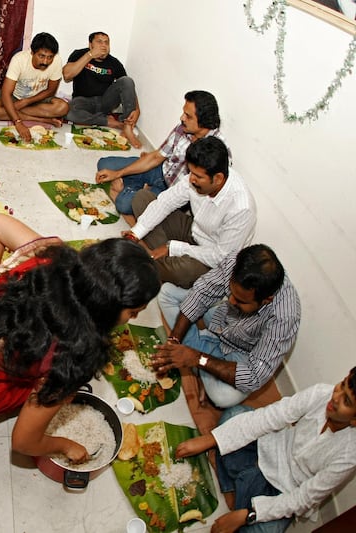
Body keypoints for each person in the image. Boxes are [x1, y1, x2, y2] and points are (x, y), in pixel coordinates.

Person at [0, 213, 160, 458]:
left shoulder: (54, 257)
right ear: (104, 306)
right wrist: (65, 445)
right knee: (45, 392)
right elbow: (23, 443)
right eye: (133, 312)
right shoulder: (73, 355)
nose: (135, 319)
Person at [174, 367, 356, 533]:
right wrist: (209, 439)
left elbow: (304, 497)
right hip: (265, 451)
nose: (336, 397)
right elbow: (270, 417)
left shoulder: (350, 454)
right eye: (342, 385)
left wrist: (249, 515)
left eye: (346, 400)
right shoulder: (321, 393)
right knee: (233, 415)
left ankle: (236, 491)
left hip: (284, 491)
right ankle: (234, 488)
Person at [153, 244, 301, 409]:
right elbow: (201, 294)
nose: (231, 300)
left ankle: (200, 360)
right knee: (166, 293)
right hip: (220, 320)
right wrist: (174, 340)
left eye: (240, 300)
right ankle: (202, 362)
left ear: (267, 300)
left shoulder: (285, 317)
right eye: (231, 292)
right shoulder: (236, 262)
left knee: (223, 398)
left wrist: (197, 358)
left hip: (241, 352)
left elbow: (253, 376)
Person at [122, 136, 256, 288]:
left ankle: (155, 262)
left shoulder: (241, 208)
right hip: (193, 231)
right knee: (142, 198)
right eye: (190, 172)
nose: (191, 179)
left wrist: (173, 247)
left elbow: (220, 257)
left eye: (197, 176)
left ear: (218, 178)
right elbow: (166, 201)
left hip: (211, 258)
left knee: (185, 271)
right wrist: (135, 234)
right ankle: (158, 262)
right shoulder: (198, 175)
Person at [95, 90, 224, 216]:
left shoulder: (216, 150)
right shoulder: (183, 128)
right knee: (105, 165)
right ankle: (136, 187)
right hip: (159, 170)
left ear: (203, 121)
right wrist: (118, 173)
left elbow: (199, 193)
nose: (182, 118)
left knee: (123, 204)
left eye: (188, 116)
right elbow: (156, 157)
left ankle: (136, 189)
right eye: (184, 113)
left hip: (171, 192)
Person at [0, 32, 69, 142]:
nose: (45, 61)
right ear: (32, 52)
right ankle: (43, 120)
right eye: (41, 56)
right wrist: (18, 122)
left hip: (39, 99)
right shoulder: (19, 60)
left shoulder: (57, 61)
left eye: (50, 57)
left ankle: (12, 111)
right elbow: (6, 93)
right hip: (15, 96)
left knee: (63, 107)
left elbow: (51, 90)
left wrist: (25, 102)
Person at [63, 31, 141, 148]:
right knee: (68, 112)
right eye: (99, 42)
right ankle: (112, 122)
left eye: (106, 43)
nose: (103, 46)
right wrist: (90, 55)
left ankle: (128, 126)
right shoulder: (79, 54)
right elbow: (67, 76)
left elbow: (127, 86)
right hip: (82, 101)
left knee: (127, 80)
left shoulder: (114, 63)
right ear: (90, 45)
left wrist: (137, 109)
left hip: (105, 102)